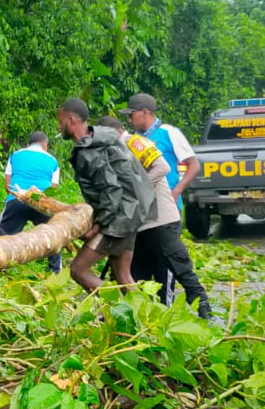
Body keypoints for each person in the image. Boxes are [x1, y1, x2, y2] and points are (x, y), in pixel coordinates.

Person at [100, 114, 212, 318]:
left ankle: (203, 311)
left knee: (177, 269)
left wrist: (135, 190)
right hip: (139, 224)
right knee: (137, 273)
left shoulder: (135, 142)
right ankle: (145, 317)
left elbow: (163, 167)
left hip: (160, 219)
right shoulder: (116, 149)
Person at [56, 98, 156, 292]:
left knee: (78, 269)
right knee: (123, 275)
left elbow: (111, 190)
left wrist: (97, 227)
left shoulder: (90, 150)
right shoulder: (104, 139)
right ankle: (143, 318)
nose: (59, 126)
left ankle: (117, 309)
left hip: (118, 219)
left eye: (61, 121)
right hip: (132, 212)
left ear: (71, 120)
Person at [126, 92, 203, 296]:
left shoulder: (168, 133)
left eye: (132, 114)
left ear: (145, 112)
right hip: (143, 213)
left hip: (166, 211)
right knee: (141, 266)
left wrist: (176, 190)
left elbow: (194, 165)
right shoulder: (135, 140)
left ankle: (166, 307)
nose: (129, 119)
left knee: (166, 264)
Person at [0, 130, 63, 273]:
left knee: (5, 236)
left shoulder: (16, 155)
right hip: (41, 203)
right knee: (52, 234)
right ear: (45, 144)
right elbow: (53, 188)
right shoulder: (53, 161)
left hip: (16, 199)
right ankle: (55, 271)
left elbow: (7, 185)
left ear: (29, 143)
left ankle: (2, 269)